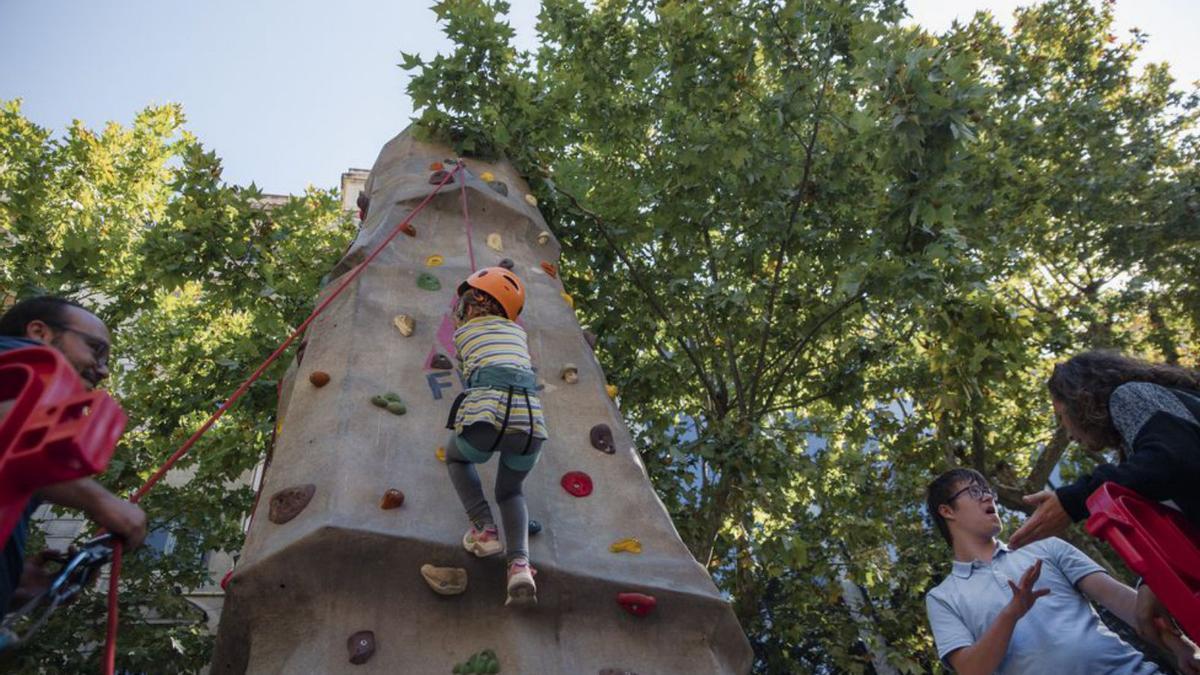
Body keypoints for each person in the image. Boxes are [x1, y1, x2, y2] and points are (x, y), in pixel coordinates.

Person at [1008, 351, 1200, 661]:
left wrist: (1073, 499)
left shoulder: (1129, 395)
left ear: (1081, 397)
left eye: (1062, 418)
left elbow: (1174, 459)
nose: (1068, 434)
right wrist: (1151, 582)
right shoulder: (1146, 427)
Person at [923, 468, 1198, 674]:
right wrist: (1012, 613)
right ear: (947, 511)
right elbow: (972, 670)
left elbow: (1124, 601)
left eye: (988, 490)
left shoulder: (1047, 547)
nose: (987, 495)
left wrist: (1179, 643)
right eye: (973, 490)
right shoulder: (943, 597)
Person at [0, 296, 148, 615]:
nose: (104, 371)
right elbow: (12, 439)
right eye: (96, 349)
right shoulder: (19, 358)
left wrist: (14, 581)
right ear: (40, 333)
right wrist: (103, 502)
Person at [441, 268, 547, 608]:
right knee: (511, 491)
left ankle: (485, 529)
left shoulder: (463, 333)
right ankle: (519, 567)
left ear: (470, 309)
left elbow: (465, 362)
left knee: (456, 456)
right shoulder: (519, 335)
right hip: (531, 423)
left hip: (488, 415)